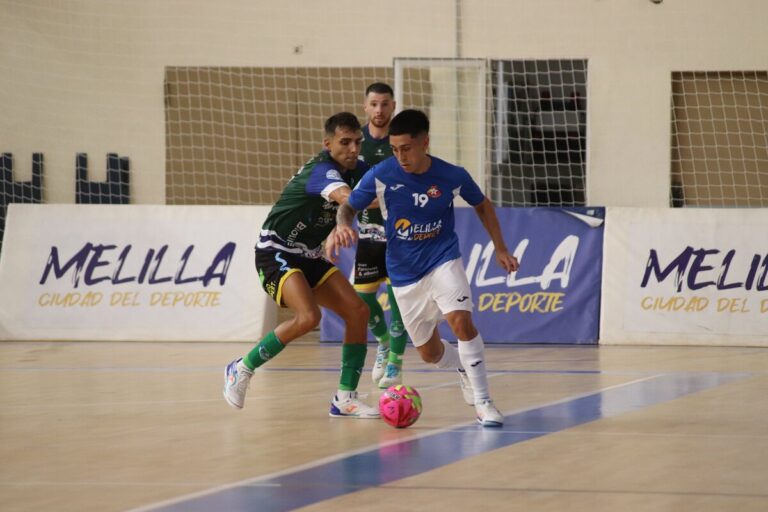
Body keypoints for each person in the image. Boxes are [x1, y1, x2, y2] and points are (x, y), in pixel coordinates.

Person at [333, 109, 519, 427]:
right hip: (404, 274)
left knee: (461, 323)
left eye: (406, 148)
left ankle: (484, 402)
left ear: (425, 143)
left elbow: (481, 203)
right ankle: (462, 366)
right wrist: (341, 225)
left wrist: (500, 247)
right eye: (395, 149)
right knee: (430, 354)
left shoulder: (452, 175)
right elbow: (349, 207)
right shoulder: (382, 174)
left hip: (443, 259)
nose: (400, 156)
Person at [223, 112, 379, 419]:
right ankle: (241, 368)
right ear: (328, 144)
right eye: (345, 142)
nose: (352, 149)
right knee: (309, 317)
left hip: (308, 254)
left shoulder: (358, 169)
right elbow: (348, 198)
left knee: (358, 312)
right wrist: (377, 201)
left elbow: (380, 183)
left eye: (357, 142)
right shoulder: (321, 171)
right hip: (275, 251)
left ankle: (345, 397)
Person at [354, 82, 409, 389]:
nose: (379, 110)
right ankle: (384, 343)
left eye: (385, 104)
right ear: (365, 106)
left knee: (398, 299)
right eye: (374, 104)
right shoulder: (356, 142)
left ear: (393, 106)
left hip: (399, 234)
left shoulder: (400, 142)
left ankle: (395, 364)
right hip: (367, 234)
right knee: (362, 299)